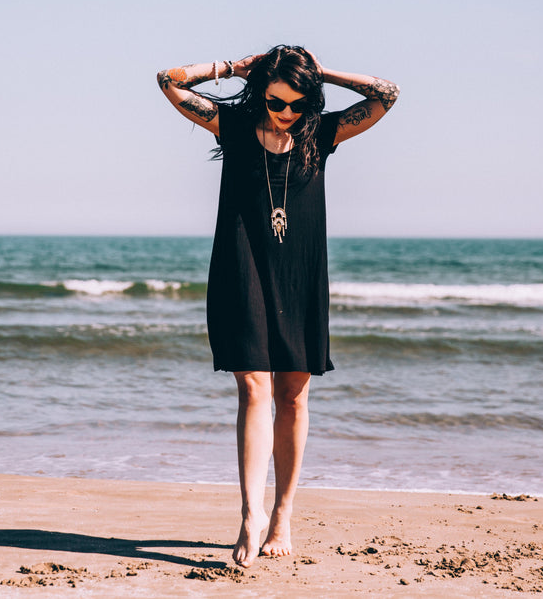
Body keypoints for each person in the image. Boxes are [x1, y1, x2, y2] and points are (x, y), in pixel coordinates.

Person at [156, 46, 398, 567]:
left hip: (301, 273)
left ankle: (284, 513)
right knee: (253, 387)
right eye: (274, 100)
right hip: (241, 266)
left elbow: (386, 94)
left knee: (292, 394)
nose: (284, 112)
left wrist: (318, 70)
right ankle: (251, 513)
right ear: (261, 90)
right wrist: (233, 67)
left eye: (296, 102)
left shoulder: (322, 133)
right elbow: (169, 81)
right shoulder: (234, 127)